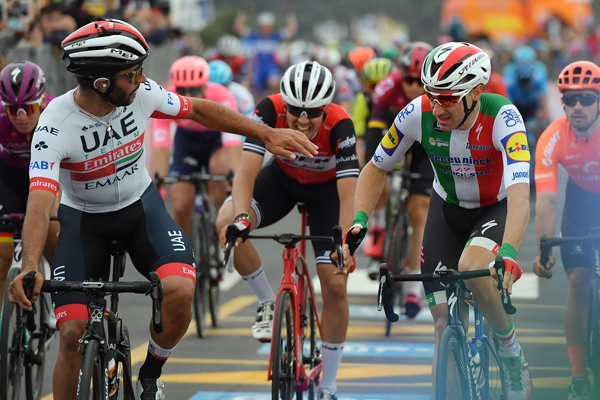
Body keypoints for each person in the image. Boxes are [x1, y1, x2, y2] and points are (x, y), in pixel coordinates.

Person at [7, 18, 318, 400]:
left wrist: (265, 133)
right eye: (131, 73)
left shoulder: (139, 94)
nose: (140, 80)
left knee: (180, 290)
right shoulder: (55, 124)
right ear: (102, 83)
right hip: (84, 220)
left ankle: (151, 373)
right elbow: (39, 201)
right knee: (71, 335)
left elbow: (198, 110)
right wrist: (32, 265)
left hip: (140, 208)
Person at [342, 42, 533, 400]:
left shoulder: (504, 117)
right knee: (443, 324)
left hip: (493, 210)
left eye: (447, 98)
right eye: (432, 95)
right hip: (446, 212)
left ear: (476, 92)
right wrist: (360, 219)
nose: (436, 107)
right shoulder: (418, 113)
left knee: (472, 267)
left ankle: (510, 352)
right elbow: (375, 168)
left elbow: (521, 193)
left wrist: (508, 250)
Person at [216, 60, 359, 400]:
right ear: (284, 104)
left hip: (327, 196)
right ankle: (268, 301)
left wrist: (347, 243)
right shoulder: (268, 109)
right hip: (280, 183)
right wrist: (240, 220)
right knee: (226, 223)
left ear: (326, 108)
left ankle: (328, 384)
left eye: (313, 112)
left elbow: (348, 192)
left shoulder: (340, 124)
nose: (303, 119)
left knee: (335, 283)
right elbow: (246, 173)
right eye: (295, 109)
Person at [533, 61, 600, 400]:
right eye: (570, 99)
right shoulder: (554, 135)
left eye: (586, 99)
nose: (577, 106)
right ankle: (578, 375)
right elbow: (545, 201)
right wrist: (544, 251)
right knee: (578, 282)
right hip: (579, 201)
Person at [362, 42, 434, 320]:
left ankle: (415, 285)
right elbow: (374, 131)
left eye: (420, 82)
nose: (414, 86)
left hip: (425, 143)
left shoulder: (437, 95)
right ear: (400, 74)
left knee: (419, 212)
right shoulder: (386, 88)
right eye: (409, 79)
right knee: (375, 173)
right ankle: (379, 226)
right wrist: (373, 169)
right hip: (394, 129)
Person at [153, 56, 242, 238]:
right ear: (174, 88)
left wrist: (235, 177)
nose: (188, 95)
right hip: (186, 143)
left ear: (205, 86)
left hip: (215, 141)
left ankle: (223, 225)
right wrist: (159, 183)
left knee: (222, 171)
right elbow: (161, 144)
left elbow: (232, 140)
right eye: (182, 90)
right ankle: (184, 256)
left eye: (194, 90)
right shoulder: (165, 99)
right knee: (180, 206)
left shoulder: (221, 95)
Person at [0, 61, 60, 305]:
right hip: (10, 179)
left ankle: (61, 297)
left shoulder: (57, 113)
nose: (22, 116)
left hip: (49, 178)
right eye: (13, 109)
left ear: (43, 100)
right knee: (2, 258)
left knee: (52, 233)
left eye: (29, 106)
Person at [234, 10, 298, 97]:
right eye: (264, 26)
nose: (266, 28)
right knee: (257, 90)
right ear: (260, 26)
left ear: (272, 26)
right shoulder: (254, 35)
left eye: (268, 26)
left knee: (275, 84)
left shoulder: (275, 36)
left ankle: (277, 105)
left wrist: (290, 15)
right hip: (257, 67)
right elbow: (239, 28)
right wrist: (243, 13)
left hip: (270, 66)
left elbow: (292, 31)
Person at [351, 57, 396, 165]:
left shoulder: (398, 100)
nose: (379, 90)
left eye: (384, 85)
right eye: (373, 85)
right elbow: (358, 137)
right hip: (370, 148)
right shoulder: (363, 99)